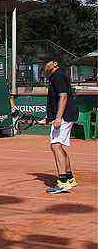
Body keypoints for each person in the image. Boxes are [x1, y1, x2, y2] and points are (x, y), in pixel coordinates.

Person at [39, 60, 78, 194]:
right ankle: (69, 178)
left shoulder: (58, 76)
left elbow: (63, 97)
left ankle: (62, 182)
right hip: (64, 115)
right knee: (57, 145)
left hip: (64, 115)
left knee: (56, 145)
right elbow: (56, 100)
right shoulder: (55, 76)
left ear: (55, 63)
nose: (45, 66)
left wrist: (58, 117)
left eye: (47, 63)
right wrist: (49, 118)